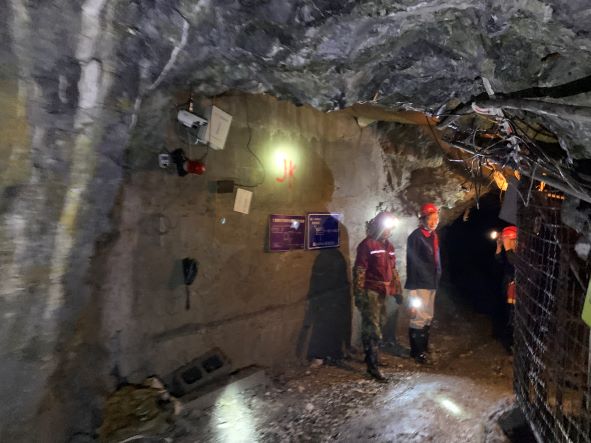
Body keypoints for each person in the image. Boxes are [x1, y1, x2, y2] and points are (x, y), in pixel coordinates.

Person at [353, 211, 403, 381]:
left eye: (391, 228)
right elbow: (360, 270)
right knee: (372, 327)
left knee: (379, 324)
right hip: (371, 291)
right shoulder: (367, 245)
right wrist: (359, 293)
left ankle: (372, 357)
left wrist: (398, 291)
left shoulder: (389, 247)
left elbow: (393, 270)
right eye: (386, 227)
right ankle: (372, 366)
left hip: (384, 292)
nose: (388, 231)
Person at [405, 203, 441, 364]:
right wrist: (412, 289)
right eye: (430, 219)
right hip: (419, 283)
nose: (434, 222)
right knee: (418, 317)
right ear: (423, 219)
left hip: (431, 282)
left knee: (428, 316)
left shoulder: (433, 235)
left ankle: (423, 347)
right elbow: (411, 263)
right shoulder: (416, 237)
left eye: (436, 219)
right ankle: (417, 352)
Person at [495, 225, 517, 353]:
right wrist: (499, 246)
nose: (506, 242)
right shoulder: (509, 253)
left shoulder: (522, 253)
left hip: (517, 292)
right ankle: (509, 343)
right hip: (507, 288)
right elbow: (499, 262)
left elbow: (516, 264)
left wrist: (508, 248)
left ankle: (512, 343)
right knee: (508, 314)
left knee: (514, 317)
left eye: (507, 239)